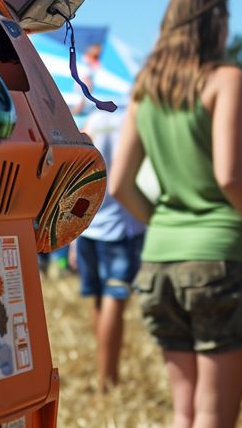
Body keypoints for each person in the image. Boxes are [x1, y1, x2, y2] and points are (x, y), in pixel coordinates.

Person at [109, 0, 242, 428]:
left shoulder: (146, 87)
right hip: (221, 260)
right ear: (216, 21)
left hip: (158, 265)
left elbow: (120, 186)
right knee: (213, 417)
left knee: (184, 414)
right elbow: (230, 176)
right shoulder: (226, 79)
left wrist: (167, 225)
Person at [73, 108, 147, 391]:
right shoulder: (131, 119)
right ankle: (109, 380)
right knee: (115, 302)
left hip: (88, 224)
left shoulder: (91, 122)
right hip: (121, 226)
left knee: (98, 301)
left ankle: (103, 370)